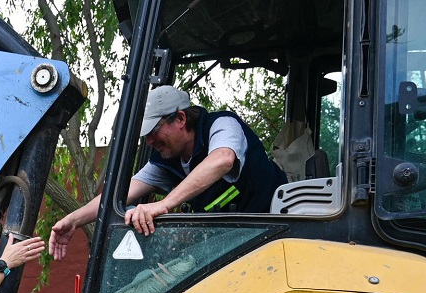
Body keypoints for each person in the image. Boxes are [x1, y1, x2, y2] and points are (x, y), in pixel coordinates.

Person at [49, 85, 287, 260]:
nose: (150, 140)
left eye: (154, 131)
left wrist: (163, 204)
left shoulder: (222, 125)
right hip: (229, 247)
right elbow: (122, 194)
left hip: (276, 237)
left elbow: (222, 160)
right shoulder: (167, 160)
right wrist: (72, 220)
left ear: (180, 118)